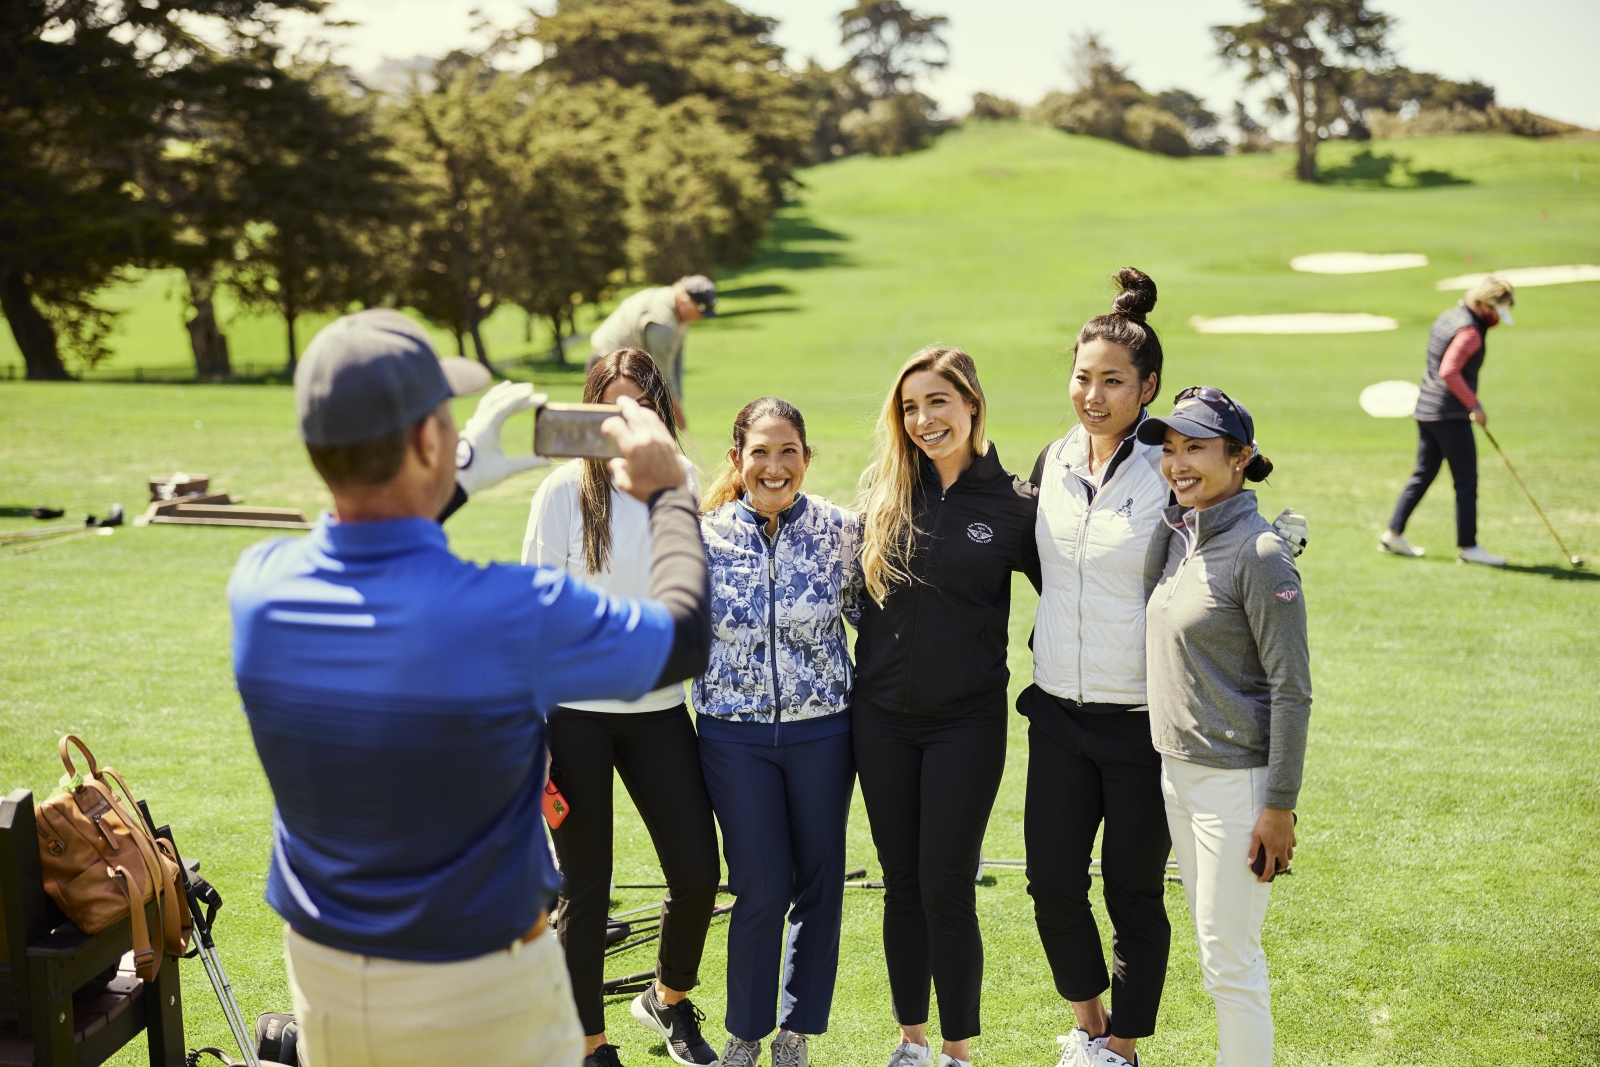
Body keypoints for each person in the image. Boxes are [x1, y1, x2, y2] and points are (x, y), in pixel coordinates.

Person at [228, 309, 709, 1067]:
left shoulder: (258, 586)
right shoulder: (513, 612)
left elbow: (370, 551)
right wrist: (671, 490)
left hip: (327, 976)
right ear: (429, 442)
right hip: (484, 991)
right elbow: (682, 637)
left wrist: (451, 480)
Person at [1025, 270, 1308, 1067]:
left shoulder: (1168, 469)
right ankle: (1086, 1023)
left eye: (1113, 380)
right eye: (1082, 377)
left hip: (1148, 721)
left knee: (1133, 894)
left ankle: (1120, 1045)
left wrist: (1278, 548)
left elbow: (1226, 549)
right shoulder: (1052, 460)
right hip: (1057, 707)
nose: (1093, 393)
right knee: (1051, 882)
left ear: (1146, 387)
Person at [523, 349, 721, 1067]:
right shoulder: (559, 493)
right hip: (572, 713)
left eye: (640, 403)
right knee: (586, 885)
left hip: (658, 707)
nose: (624, 417)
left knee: (698, 867)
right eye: (611, 404)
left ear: (659, 412)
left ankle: (666, 998)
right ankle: (589, 1043)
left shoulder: (680, 483)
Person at [851, 345, 1041, 1067]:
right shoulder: (884, 493)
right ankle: (912, 1042)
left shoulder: (1015, 504)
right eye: (909, 407)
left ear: (971, 403)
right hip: (880, 722)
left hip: (966, 722)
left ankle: (958, 1051)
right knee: (900, 880)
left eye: (938, 401)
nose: (924, 419)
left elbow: (1077, 595)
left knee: (946, 883)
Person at [1137, 386, 1312, 1067]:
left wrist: (1279, 806)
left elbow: (1292, 690)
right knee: (1218, 956)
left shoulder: (1261, 553)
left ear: (1241, 458)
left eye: (1197, 449)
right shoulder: (1183, 532)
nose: (1177, 463)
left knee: (1230, 960)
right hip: (1178, 775)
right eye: (1171, 449)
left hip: (1238, 785)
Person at [693, 397, 863, 1067]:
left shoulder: (839, 530)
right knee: (760, 884)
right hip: (732, 738)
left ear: (806, 458)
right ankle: (745, 1033)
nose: (774, 464)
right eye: (759, 451)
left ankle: (795, 1034)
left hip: (824, 732)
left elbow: (873, 626)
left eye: (787, 450)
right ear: (737, 460)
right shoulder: (702, 537)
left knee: (820, 882)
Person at [1381, 275, 1516, 566]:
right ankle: (1469, 547)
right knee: (1466, 481)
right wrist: (1475, 405)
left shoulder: (1449, 316)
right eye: (1495, 311)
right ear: (1482, 304)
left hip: (1426, 409)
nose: (1496, 318)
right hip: (1449, 414)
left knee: (1424, 473)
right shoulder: (1470, 332)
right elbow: (1449, 370)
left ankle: (1393, 533)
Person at [588, 277, 719, 429]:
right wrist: (675, 412)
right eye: (700, 311)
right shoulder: (663, 325)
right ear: (684, 300)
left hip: (631, 365)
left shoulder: (679, 314)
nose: (701, 317)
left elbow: (676, 361)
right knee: (613, 427)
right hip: (608, 364)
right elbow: (663, 373)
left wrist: (677, 404)